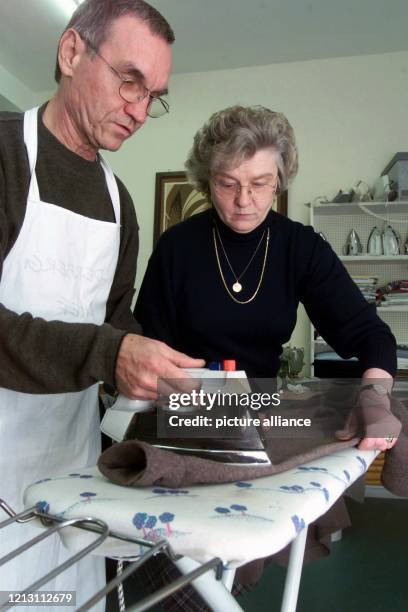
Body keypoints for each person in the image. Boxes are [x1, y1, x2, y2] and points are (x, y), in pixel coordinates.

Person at [134, 105, 401, 609]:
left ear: (281, 179)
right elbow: (149, 352)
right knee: (187, 559)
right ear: (205, 180)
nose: (243, 201)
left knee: (365, 408)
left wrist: (376, 393)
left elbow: (368, 333)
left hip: (262, 410)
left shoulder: (299, 247)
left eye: (261, 184)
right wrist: (194, 390)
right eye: (227, 183)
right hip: (188, 409)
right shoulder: (176, 248)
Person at [0, 0, 204, 607]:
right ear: (70, 54)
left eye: (154, 95)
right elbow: (105, 345)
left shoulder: (121, 204)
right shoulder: (5, 158)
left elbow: (115, 324)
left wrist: (163, 390)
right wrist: (110, 352)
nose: (140, 111)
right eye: (129, 82)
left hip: (70, 470)